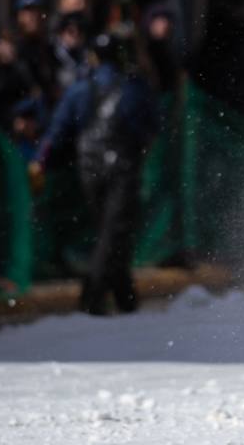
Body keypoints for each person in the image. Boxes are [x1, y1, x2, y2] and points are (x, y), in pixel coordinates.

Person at [31, 26, 159, 315]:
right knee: (113, 234)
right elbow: (151, 127)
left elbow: (59, 129)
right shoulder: (134, 86)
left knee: (108, 231)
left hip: (89, 169)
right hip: (123, 167)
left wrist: (41, 160)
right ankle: (92, 298)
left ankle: (125, 297)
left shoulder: (80, 87)